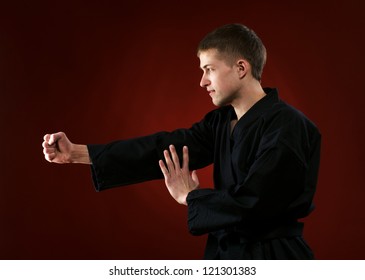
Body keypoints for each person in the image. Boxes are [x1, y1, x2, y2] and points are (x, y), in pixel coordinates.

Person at [42, 24, 321, 259]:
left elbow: (257, 201)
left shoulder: (289, 126)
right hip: (224, 254)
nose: (202, 81)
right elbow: (165, 148)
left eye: (209, 69)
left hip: (275, 257)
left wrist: (191, 196)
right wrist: (78, 153)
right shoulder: (221, 122)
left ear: (241, 68)